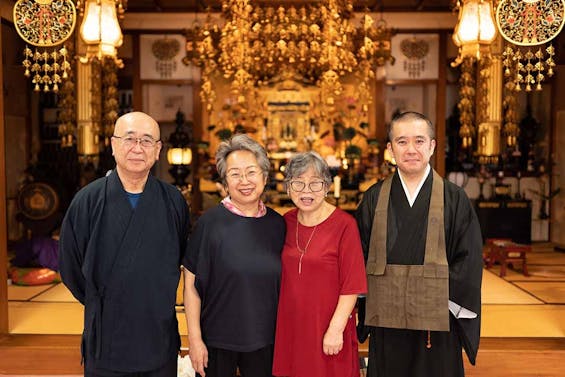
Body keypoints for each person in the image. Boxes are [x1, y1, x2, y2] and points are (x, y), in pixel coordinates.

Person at [59, 112, 191, 376]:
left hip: (157, 330)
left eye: (146, 141)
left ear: (158, 150)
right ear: (113, 144)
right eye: (129, 139)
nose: (137, 148)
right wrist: (103, 302)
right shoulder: (87, 200)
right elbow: (70, 265)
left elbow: (183, 258)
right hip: (107, 333)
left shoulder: (173, 200)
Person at [355, 111, 483, 376]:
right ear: (390, 149)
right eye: (402, 142)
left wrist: (435, 296)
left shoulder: (454, 198)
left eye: (419, 141)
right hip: (386, 317)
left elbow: (468, 259)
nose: (411, 149)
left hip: (436, 318)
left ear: (433, 145)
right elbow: (359, 255)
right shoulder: (374, 197)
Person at [183, 134, 285, 377]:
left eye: (251, 172)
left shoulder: (278, 225)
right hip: (217, 342)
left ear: (264, 177)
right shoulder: (208, 224)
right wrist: (195, 340)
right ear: (225, 182)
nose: (244, 181)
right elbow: (191, 287)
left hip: (266, 341)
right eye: (235, 174)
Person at [273, 152, 367, 377]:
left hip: (328, 327)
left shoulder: (345, 225)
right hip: (291, 327)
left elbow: (352, 285)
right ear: (287, 188)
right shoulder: (285, 222)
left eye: (315, 183)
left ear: (327, 187)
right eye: (298, 183)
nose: (306, 191)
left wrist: (335, 330)